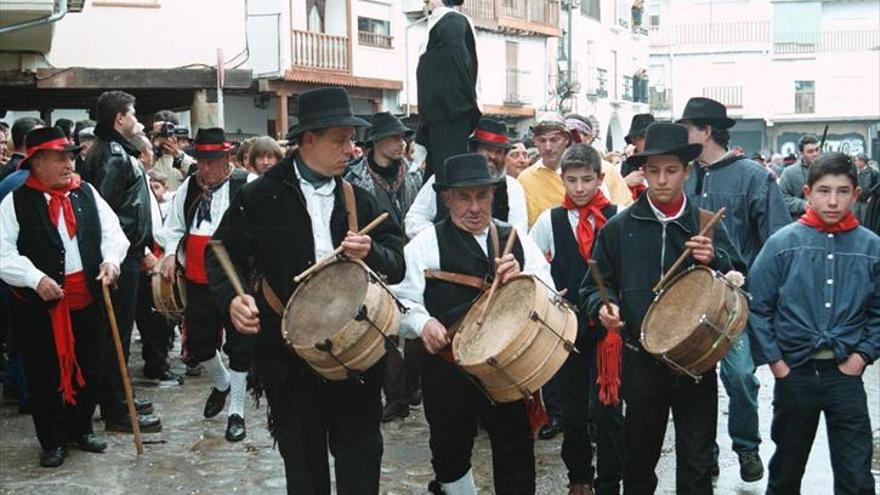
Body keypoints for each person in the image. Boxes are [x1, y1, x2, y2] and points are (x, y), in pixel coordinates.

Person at [206, 87, 405, 494]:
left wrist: (373, 252)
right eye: (340, 140)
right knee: (303, 462)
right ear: (308, 140)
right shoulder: (258, 196)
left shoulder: (361, 199)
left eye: (352, 139)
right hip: (288, 356)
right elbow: (220, 252)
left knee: (362, 455)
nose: (350, 150)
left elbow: (398, 260)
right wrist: (234, 299)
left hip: (356, 354)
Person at [581, 123, 747, 494]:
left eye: (671, 170)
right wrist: (603, 309)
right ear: (643, 171)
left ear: (687, 171)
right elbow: (592, 287)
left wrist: (715, 260)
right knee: (637, 462)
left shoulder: (706, 225)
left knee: (697, 463)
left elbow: (740, 279)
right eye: (653, 170)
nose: (661, 180)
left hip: (695, 363)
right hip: (640, 362)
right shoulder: (619, 227)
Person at [393, 152, 554, 495]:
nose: (475, 207)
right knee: (450, 453)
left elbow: (548, 291)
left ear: (493, 196)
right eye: (464, 197)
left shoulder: (516, 239)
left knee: (515, 451)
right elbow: (402, 301)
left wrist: (523, 281)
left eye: (482, 195)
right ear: (447, 198)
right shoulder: (426, 243)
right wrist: (423, 324)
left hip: (505, 369)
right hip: (448, 368)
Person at [748, 152, 879, 495]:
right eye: (823, 190)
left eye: (842, 191)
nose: (832, 200)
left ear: (855, 194)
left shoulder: (871, 247)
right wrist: (776, 363)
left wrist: (862, 356)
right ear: (807, 192)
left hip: (845, 376)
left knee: (857, 476)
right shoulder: (782, 244)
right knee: (787, 470)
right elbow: (758, 307)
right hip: (796, 374)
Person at [0, 127, 129, 467]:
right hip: (40, 307)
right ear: (37, 162)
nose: (68, 163)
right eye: (59, 157)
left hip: (87, 300)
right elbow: (2, 251)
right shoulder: (16, 201)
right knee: (44, 374)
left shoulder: (86, 193)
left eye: (70, 156)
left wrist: (111, 261)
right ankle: (52, 440)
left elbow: (114, 234)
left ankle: (80, 428)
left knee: (90, 367)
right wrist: (34, 278)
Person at [678, 96, 790, 481]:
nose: (683, 135)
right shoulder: (681, 175)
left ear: (706, 131)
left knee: (740, 375)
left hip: (737, 298)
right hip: (688, 300)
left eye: (687, 128)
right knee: (693, 379)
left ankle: (746, 448)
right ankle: (703, 452)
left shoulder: (755, 177)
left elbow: (777, 241)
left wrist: (752, 287)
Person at [529, 144, 624, 495]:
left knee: (608, 408)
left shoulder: (618, 217)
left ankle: (610, 479)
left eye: (587, 179)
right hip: (566, 329)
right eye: (572, 180)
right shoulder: (548, 221)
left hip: (607, 330)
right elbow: (532, 265)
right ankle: (579, 476)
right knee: (572, 411)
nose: (580, 188)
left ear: (600, 178)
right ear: (562, 180)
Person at [158, 128, 255, 441]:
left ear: (227, 158)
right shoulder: (189, 187)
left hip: (235, 281)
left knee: (240, 346)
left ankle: (237, 411)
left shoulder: (246, 186)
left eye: (213, 160)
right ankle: (222, 383)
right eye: (201, 160)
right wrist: (171, 254)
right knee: (199, 345)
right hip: (198, 280)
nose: (206, 167)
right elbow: (172, 228)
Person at [82, 90, 161, 433]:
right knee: (116, 336)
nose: (138, 121)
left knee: (119, 335)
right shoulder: (112, 154)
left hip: (128, 253)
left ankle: (120, 395)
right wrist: (120, 255)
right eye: (133, 114)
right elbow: (105, 213)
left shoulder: (115, 151)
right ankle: (116, 409)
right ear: (119, 119)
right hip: (117, 258)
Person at [343, 111, 425, 422]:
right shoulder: (354, 179)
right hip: (375, 258)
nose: (401, 142)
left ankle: (411, 381)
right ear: (377, 142)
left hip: (412, 258)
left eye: (403, 137)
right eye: (394, 137)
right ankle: (396, 396)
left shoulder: (415, 175)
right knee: (384, 327)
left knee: (416, 323)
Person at [406, 117, 528, 239]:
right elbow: (414, 220)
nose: (493, 156)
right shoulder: (444, 178)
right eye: (488, 149)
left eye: (499, 152)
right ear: (474, 150)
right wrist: (442, 240)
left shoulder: (513, 188)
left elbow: (517, 232)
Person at [416, 0, 480, 182]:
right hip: (442, 115)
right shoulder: (447, 22)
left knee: (448, 184)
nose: (426, 3)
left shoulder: (452, 22)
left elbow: (456, 68)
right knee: (438, 183)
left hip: (449, 115)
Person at [565, 114, 632, 207]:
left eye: (574, 135)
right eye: (565, 136)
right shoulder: (555, 168)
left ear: (588, 138)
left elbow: (624, 207)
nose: (568, 141)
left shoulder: (607, 169)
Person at [517, 112, 571, 226]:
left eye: (554, 140)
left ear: (566, 140)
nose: (548, 147)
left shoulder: (580, 175)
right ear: (535, 141)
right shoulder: (525, 179)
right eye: (542, 140)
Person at [778, 135, 820, 221]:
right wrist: (803, 205)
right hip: (800, 223)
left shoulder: (828, 170)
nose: (815, 154)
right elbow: (781, 198)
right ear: (801, 154)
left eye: (817, 150)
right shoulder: (789, 173)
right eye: (810, 151)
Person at [150, 110, 191, 191]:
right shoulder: (147, 156)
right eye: (160, 133)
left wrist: (177, 155)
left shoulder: (183, 159)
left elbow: (196, 173)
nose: (164, 136)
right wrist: (154, 148)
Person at [621, 113, 655, 200]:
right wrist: (624, 183)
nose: (649, 141)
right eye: (643, 136)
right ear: (633, 140)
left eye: (652, 136)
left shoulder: (665, 164)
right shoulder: (620, 169)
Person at [0, 117, 45, 181]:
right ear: (26, 139)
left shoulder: (16, 165)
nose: (45, 140)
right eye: (40, 136)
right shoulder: (21, 168)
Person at [852, 153, 877, 222]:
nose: (855, 162)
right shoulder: (854, 171)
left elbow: (877, 186)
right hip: (856, 200)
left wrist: (872, 196)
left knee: (865, 220)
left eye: (856, 160)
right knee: (854, 220)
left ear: (862, 161)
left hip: (867, 200)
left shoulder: (873, 172)